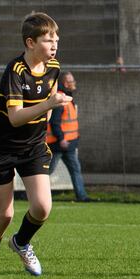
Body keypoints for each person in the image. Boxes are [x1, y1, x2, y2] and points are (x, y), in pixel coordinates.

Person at [0, 12, 73, 279]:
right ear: (30, 42)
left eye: (56, 39)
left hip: (32, 147)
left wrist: (47, 117)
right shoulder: (15, 71)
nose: (54, 45)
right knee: (4, 213)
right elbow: (16, 117)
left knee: (42, 207)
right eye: (48, 39)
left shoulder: (54, 67)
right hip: (0, 148)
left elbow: (50, 99)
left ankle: (20, 243)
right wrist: (49, 105)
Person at [46, 71, 90, 202]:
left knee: (75, 169)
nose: (74, 84)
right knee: (46, 171)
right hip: (59, 144)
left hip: (68, 144)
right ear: (65, 83)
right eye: (72, 81)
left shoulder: (66, 97)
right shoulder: (60, 98)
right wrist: (61, 139)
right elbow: (55, 122)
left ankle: (82, 196)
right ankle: (34, 193)